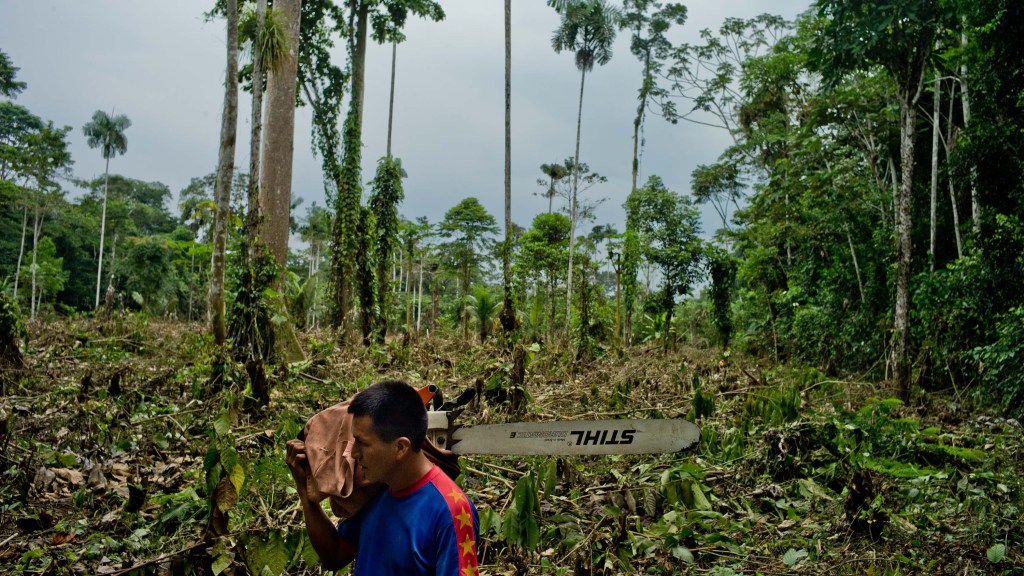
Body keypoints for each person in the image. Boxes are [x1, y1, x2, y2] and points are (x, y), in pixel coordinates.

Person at [286, 380, 480, 575]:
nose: (353, 454)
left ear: (400, 447)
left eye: (362, 443)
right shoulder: (376, 492)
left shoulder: (452, 510)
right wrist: (305, 493)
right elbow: (334, 555)